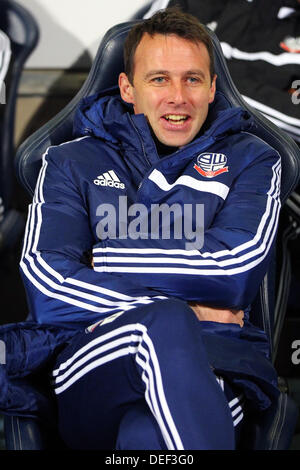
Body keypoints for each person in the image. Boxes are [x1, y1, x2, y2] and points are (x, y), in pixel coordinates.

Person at [1, 9, 281, 450]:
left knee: (146, 438)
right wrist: (188, 310)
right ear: (128, 89)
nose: (178, 97)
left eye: (192, 79)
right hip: (96, 359)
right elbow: (49, 285)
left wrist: (108, 256)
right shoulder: (71, 160)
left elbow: (234, 267)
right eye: (158, 80)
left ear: (212, 88)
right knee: (164, 322)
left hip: (219, 361)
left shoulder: (253, 158)